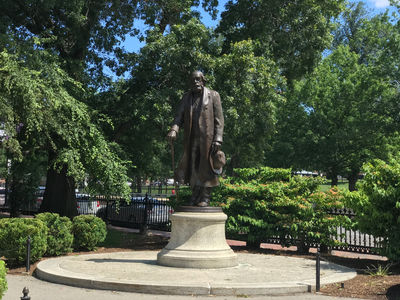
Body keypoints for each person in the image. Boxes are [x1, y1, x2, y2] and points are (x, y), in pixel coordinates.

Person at [167, 71, 225, 207]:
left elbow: (219, 119)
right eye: (193, 80)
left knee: (206, 167)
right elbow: (179, 117)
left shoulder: (213, 95)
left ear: (203, 81)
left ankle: (205, 197)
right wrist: (174, 129)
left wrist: (218, 138)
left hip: (208, 140)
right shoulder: (186, 97)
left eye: (198, 79)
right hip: (191, 139)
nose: (195, 82)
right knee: (193, 167)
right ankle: (195, 194)